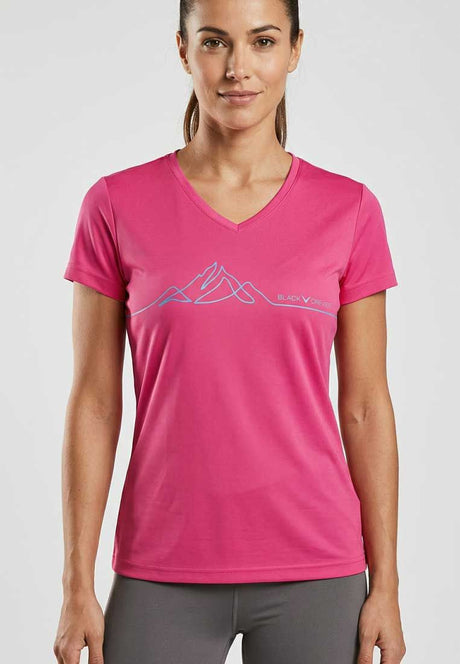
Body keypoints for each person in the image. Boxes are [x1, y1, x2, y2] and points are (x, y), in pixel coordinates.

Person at [53, 0, 406, 662]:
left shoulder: (350, 210)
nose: (238, 68)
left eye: (263, 41)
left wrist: (386, 583)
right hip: (161, 568)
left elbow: (364, 406)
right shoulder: (115, 205)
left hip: (318, 568)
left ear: (294, 50)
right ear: (183, 50)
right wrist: (76, 584)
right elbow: (95, 403)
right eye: (215, 41)